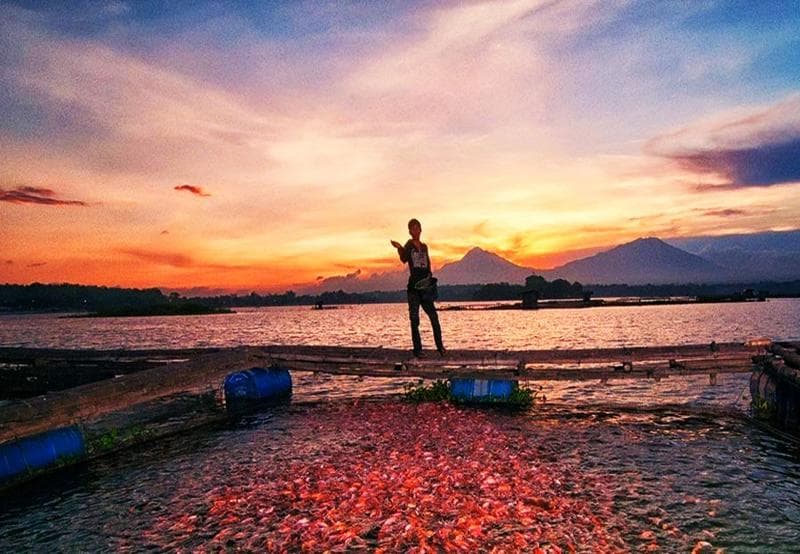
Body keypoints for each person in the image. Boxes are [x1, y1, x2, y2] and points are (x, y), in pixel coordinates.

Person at [391, 218, 445, 357]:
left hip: (426, 289)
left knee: (434, 317)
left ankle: (440, 347)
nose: (415, 231)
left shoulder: (425, 247)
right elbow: (404, 259)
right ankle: (418, 350)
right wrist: (399, 248)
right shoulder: (408, 245)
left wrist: (429, 279)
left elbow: (428, 263)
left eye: (417, 228)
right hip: (413, 290)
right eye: (412, 228)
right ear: (410, 231)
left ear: (420, 229)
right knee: (415, 320)